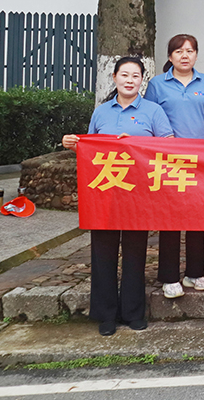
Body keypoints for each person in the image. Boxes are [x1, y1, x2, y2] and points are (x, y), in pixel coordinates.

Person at [63, 57, 172, 336]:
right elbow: (90, 149)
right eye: (124, 75)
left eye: (135, 76)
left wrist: (135, 144)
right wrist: (74, 145)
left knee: (135, 252)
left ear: (142, 81)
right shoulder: (101, 112)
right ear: (114, 77)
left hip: (138, 194)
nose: (129, 80)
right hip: (104, 193)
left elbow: (169, 147)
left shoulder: (153, 111)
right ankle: (106, 314)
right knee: (103, 253)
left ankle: (133, 312)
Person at [143, 34, 204, 299]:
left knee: (198, 218)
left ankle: (195, 273)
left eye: (189, 51)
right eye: (179, 51)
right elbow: (150, 117)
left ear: (196, 55)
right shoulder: (157, 84)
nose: (184, 55)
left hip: (201, 160)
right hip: (170, 160)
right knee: (170, 219)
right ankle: (169, 276)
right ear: (170, 56)